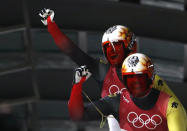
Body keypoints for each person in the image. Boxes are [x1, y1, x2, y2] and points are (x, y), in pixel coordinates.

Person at [39, 9, 187, 130]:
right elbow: (72, 51)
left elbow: (174, 108)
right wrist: (51, 26)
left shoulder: (150, 79)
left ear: (131, 47)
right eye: (108, 47)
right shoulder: (104, 73)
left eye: (116, 45)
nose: (112, 51)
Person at [68, 53, 187, 131]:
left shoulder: (171, 106)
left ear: (151, 79)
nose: (136, 86)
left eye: (140, 80)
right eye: (130, 80)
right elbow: (78, 115)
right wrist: (77, 86)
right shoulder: (116, 101)